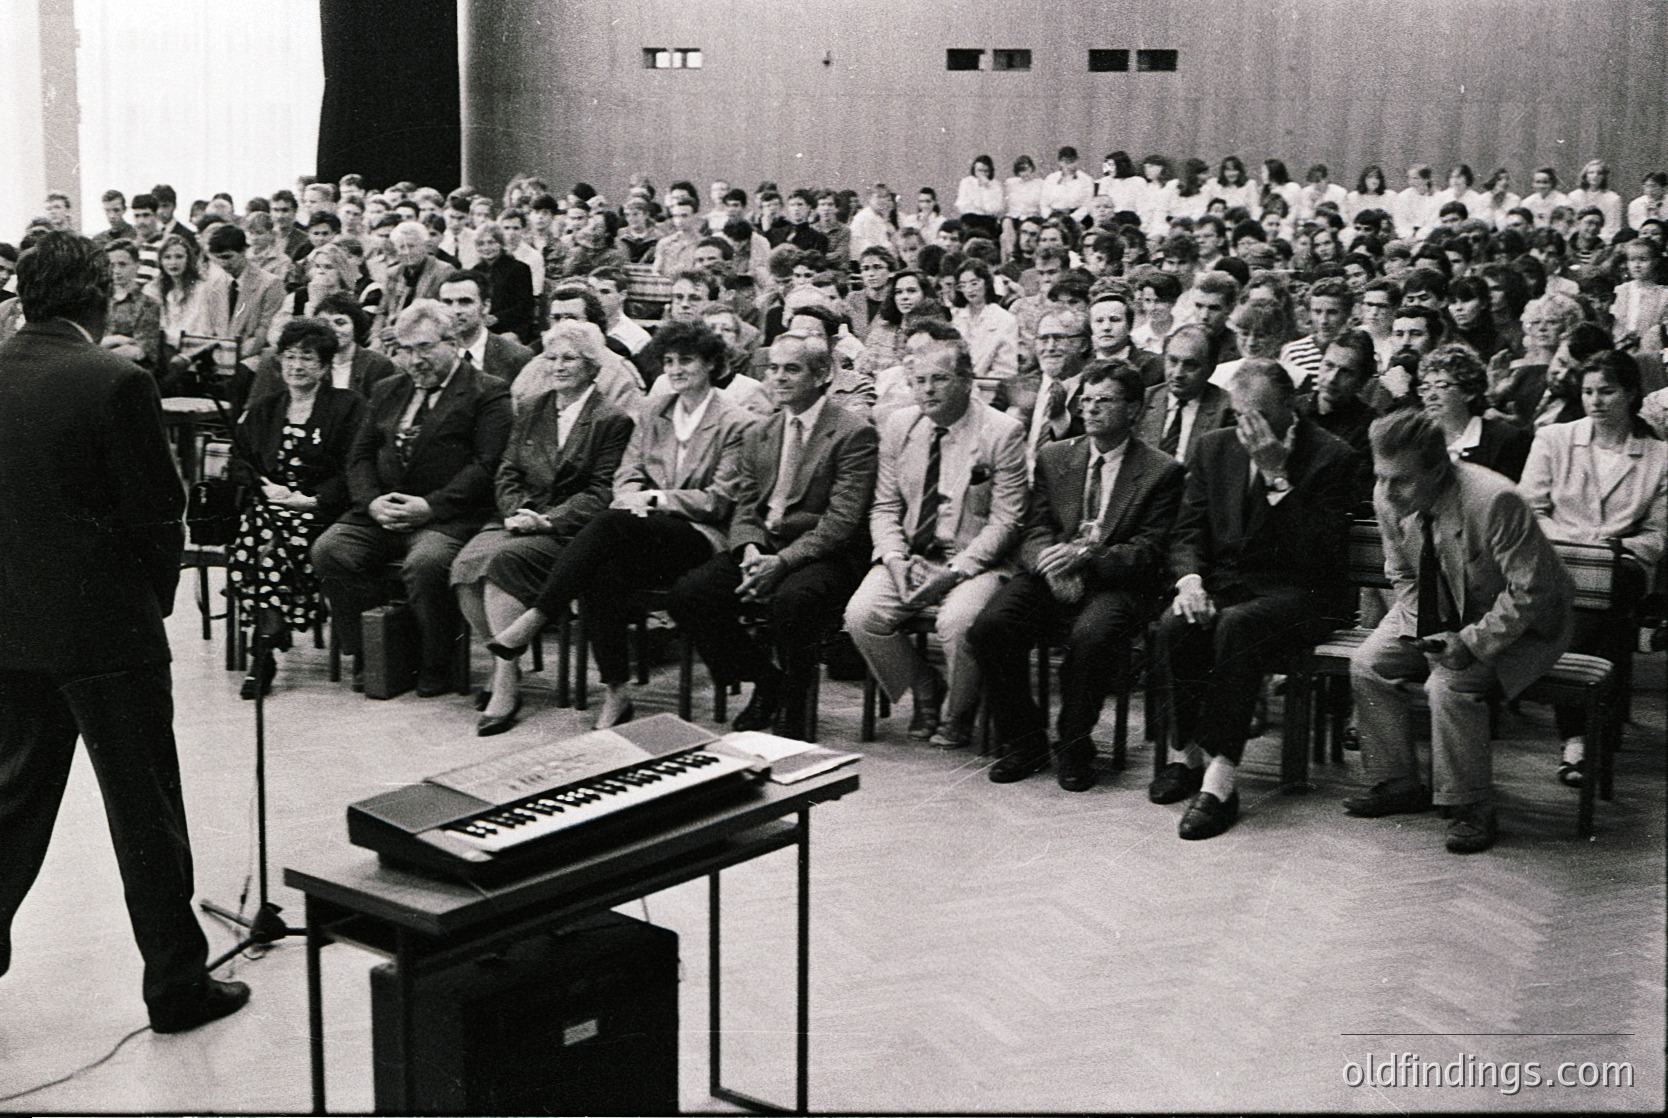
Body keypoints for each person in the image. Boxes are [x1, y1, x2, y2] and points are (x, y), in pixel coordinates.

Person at [0, 231, 249, 1031]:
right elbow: (157, 514)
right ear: (96, 296)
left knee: (8, 809)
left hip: (9, 629)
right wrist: (152, 601)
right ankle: (176, 986)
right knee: (146, 814)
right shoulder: (115, 379)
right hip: (106, 633)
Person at [486, 320, 755, 729]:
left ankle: (537, 616)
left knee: (610, 523)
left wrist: (652, 499)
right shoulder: (654, 410)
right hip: (642, 531)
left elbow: (718, 500)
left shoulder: (738, 421)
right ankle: (617, 692)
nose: (676, 369)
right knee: (600, 571)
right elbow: (628, 471)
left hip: (699, 536)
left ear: (712, 364)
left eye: (687, 361)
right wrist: (634, 496)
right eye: (668, 361)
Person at [1345, 409, 1574, 854]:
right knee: (1368, 664)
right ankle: (1397, 782)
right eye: (1381, 477)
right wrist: (1423, 630)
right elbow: (1403, 574)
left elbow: (1533, 591)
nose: (1387, 493)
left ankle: (1471, 806)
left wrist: (1468, 642)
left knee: (1449, 683)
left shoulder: (1494, 500)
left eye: (1401, 481)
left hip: (1521, 623)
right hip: (1439, 606)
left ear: (1438, 469)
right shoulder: (1388, 493)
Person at [1150, 359, 1357, 839]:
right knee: (1176, 623)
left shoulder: (1333, 456)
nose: (1249, 426)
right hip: (1224, 583)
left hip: (1300, 591)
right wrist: (1191, 582)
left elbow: (1319, 552)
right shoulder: (1213, 448)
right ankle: (1186, 757)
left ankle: (1221, 781)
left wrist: (1277, 478)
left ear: (1292, 406)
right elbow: (1187, 533)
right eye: (1241, 413)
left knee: (1237, 626)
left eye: (1260, 414)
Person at [969, 361, 1186, 790]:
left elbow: (1149, 549)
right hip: (1052, 573)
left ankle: (1074, 742)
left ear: (1135, 410)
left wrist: (1085, 558)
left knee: (1092, 637)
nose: (1091, 409)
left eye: (1104, 400)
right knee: (990, 628)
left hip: (1115, 582)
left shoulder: (1162, 471)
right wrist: (1046, 560)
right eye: (1085, 400)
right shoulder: (1055, 456)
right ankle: (1025, 741)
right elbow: (1034, 526)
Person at [667, 332, 879, 740]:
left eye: (792, 369)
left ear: (821, 375)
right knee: (691, 594)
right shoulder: (760, 432)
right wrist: (749, 547)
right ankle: (767, 681)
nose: (778, 378)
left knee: (791, 603)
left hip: (826, 554)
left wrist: (780, 563)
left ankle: (795, 708)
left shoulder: (853, 433)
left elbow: (841, 521)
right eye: (773, 368)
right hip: (764, 546)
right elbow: (746, 505)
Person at [312, 299, 513, 695]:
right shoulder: (388, 389)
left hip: (447, 516)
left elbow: (486, 466)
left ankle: (434, 661)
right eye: (404, 349)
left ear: (453, 342)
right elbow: (360, 455)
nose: (413, 360)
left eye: (423, 348)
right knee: (330, 550)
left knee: (427, 563)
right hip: (382, 511)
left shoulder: (487, 392)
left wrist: (429, 506)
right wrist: (372, 502)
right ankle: (375, 651)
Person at [844, 326, 1027, 748]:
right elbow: (886, 507)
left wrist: (955, 572)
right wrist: (892, 558)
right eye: (919, 381)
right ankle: (926, 688)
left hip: (975, 559)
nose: (928, 391)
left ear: (967, 380)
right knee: (861, 616)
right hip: (911, 555)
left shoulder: (1001, 432)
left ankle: (958, 712)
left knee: (958, 621)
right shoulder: (898, 425)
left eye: (939, 379)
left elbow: (1007, 521)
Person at [450, 319, 634, 735]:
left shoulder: (611, 419)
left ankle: (504, 688)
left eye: (569, 358)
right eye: (551, 358)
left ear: (591, 365)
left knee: (504, 566)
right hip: (519, 516)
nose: (558, 366)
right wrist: (519, 510)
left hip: (567, 530)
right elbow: (508, 470)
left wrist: (547, 520)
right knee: (464, 569)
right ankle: (506, 671)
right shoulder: (533, 406)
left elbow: (602, 491)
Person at [1519, 350, 1666, 785]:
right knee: (1587, 610)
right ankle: (1587, 737)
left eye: (1607, 391)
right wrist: (1580, 544)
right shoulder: (1554, 439)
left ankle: (1577, 738)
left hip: (1623, 562)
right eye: (1587, 391)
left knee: (1598, 595)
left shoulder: (1659, 455)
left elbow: (1658, 534)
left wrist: (1612, 547)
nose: (1595, 401)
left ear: (1632, 394)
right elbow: (1530, 511)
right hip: (1559, 557)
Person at [227, 319, 368, 698]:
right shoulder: (266, 409)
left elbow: (354, 467)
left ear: (324, 365)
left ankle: (264, 647)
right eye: (289, 357)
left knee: (263, 537)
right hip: (272, 508)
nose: (296, 366)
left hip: (322, 512)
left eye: (306, 357)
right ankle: (268, 638)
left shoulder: (347, 407)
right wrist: (265, 488)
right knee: (263, 525)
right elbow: (239, 462)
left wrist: (312, 499)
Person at [1417, 344, 1535, 481]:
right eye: (1425, 388)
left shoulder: (1506, 439)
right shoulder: (1419, 441)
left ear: (1469, 392)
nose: (1431, 395)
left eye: (1442, 386)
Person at [146, 232, 232, 391]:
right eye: (167, 257)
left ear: (188, 259)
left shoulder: (203, 289)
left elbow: (208, 330)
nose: (173, 262)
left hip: (195, 350)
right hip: (164, 348)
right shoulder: (155, 289)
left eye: (179, 256)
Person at [1137, 324, 1235, 462]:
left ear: (1211, 368)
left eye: (1190, 365)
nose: (1178, 374)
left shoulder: (1227, 409)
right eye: (1173, 361)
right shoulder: (1144, 399)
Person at [438, 272, 536, 386]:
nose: (455, 310)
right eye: (447, 302)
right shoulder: (431, 356)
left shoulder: (517, 358)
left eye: (465, 302)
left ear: (485, 306)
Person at [371, 221, 456, 345]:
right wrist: (375, 338)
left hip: (425, 337)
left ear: (426, 246)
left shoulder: (444, 271)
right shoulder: (393, 273)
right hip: (390, 338)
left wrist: (402, 332)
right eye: (402, 247)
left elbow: (443, 316)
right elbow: (382, 311)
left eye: (411, 246)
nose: (406, 252)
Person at [949, 258, 1018, 381]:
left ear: (986, 283)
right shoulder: (955, 317)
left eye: (974, 283)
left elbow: (1006, 370)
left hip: (988, 389)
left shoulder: (1005, 319)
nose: (969, 289)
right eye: (963, 285)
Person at [102, 238, 162, 372]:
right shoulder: (99, 301)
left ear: (137, 265)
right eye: (111, 265)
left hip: (131, 374)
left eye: (122, 264)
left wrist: (100, 349)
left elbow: (140, 351)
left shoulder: (148, 305)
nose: (116, 271)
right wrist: (118, 339)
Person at [472, 221, 538, 345]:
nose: (486, 248)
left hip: (513, 326)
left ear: (501, 243)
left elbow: (525, 305)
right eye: (481, 244)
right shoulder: (475, 272)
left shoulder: (519, 268)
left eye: (491, 242)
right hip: (483, 326)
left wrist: (497, 318)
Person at [956, 154, 1006, 244]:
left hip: (988, 220)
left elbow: (996, 209)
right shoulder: (966, 182)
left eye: (985, 171)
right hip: (970, 218)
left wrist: (986, 188)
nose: (982, 174)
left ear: (990, 171)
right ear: (974, 170)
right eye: (979, 171)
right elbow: (962, 206)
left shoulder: (996, 185)